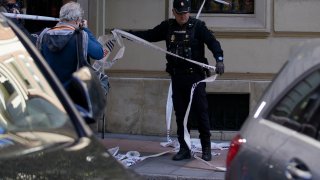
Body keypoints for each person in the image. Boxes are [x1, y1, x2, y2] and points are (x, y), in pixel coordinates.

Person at [129, 0, 224, 161]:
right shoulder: (167, 27)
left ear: (189, 12)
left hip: (196, 78)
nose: (183, 16)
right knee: (180, 115)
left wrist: (219, 59)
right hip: (177, 77)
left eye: (185, 12)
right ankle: (185, 148)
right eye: (179, 13)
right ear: (173, 12)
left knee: (201, 113)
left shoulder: (198, 26)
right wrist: (129, 34)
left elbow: (213, 43)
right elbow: (149, 35)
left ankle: (206, 148)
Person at [36, 1, 104, 88]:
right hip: (73, 94)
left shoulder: (44, 35)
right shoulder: (80, 37)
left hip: (52, 92)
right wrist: (85, 29)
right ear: (77, 20)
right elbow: (99, 53)